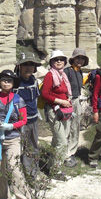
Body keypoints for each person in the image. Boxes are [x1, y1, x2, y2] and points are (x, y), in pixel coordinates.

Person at [0, 70, 30, 199]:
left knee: (14, 169)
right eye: (4, 80)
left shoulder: (18, 100)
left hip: (12, 139)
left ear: (13, 83)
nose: (6, 82)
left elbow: (23, 120)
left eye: (9, 80)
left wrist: (11, 126)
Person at [40, 49, 73, 180]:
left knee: (57, 140)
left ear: (64, 62)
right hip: (54, 110)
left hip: (63, 110)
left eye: (61, 59)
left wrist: (68, 100)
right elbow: (45, 94)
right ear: (52, 62)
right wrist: (61, 101)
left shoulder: (62, 75)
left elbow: (65, 92)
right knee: (62, 141)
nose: (59, 61)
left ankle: (50, 165)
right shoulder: (50, 75)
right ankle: (56, 170)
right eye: (56, 59)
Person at [14, 52, 42, 178]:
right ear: (19, 66)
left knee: (33, 146)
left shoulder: (33, 80)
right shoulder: (14, 82)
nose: (28, 67)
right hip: (19, 121)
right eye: (25, 64)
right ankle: (19, 174)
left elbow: (36, 98)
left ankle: (32, 173)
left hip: (33, 119)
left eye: (31, 64)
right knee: (20, 147)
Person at [63, 48, 89, 168]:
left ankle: (71, 152)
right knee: (66, 128)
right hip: (68, 101)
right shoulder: (67, 71)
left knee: (75, 127)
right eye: (78, 58)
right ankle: (64, 154)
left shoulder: (79, 71)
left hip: (77, 100)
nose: (80, 60)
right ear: (73, 59)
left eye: (82, 58)